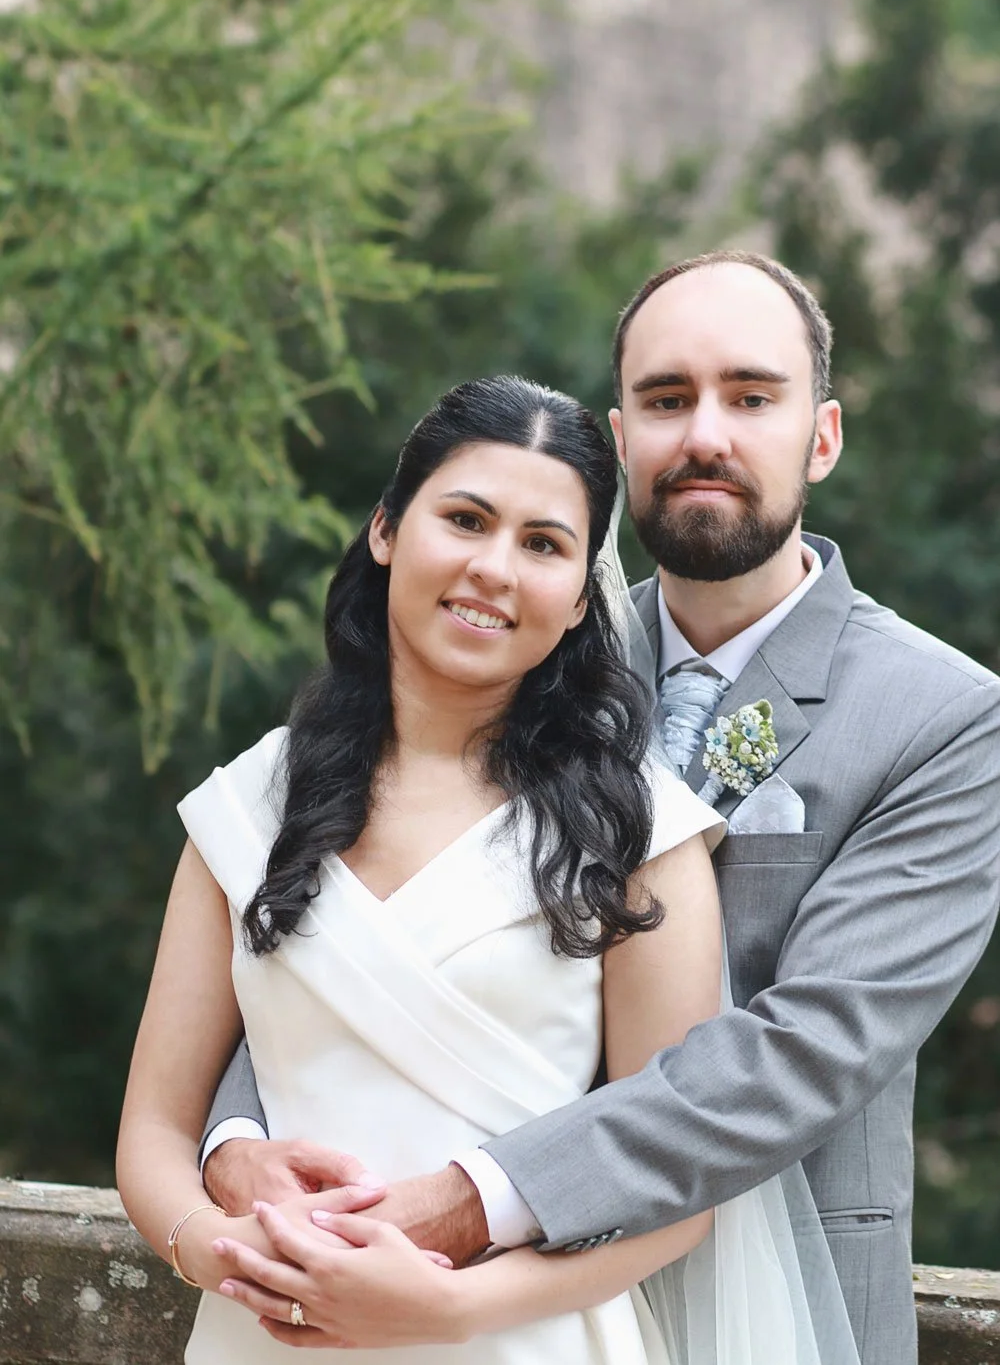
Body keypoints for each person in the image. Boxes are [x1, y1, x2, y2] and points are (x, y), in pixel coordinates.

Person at [198, 253, 1000, 1365]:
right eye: (666, 399)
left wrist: (475, 1200)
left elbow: (805, 1051)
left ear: (820, 436)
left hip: (773, 1310)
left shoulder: (944, 718)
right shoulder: (521, 639)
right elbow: (341, 923)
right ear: (621, 442)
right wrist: (235, 1139)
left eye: (750, 397)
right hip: (472, 1311)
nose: (703, 434)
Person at [118, 373, 815, 1364]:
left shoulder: (640, 836)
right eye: (465, 519)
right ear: (386, 531)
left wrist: (449, 1312)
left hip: (522, 1342)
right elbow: (152, 1130)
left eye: (542, 545)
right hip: (265, 1331)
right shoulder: (248, 806)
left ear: (580, 599)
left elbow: (676, 1193)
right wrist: (223, 1251)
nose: (494, 568)